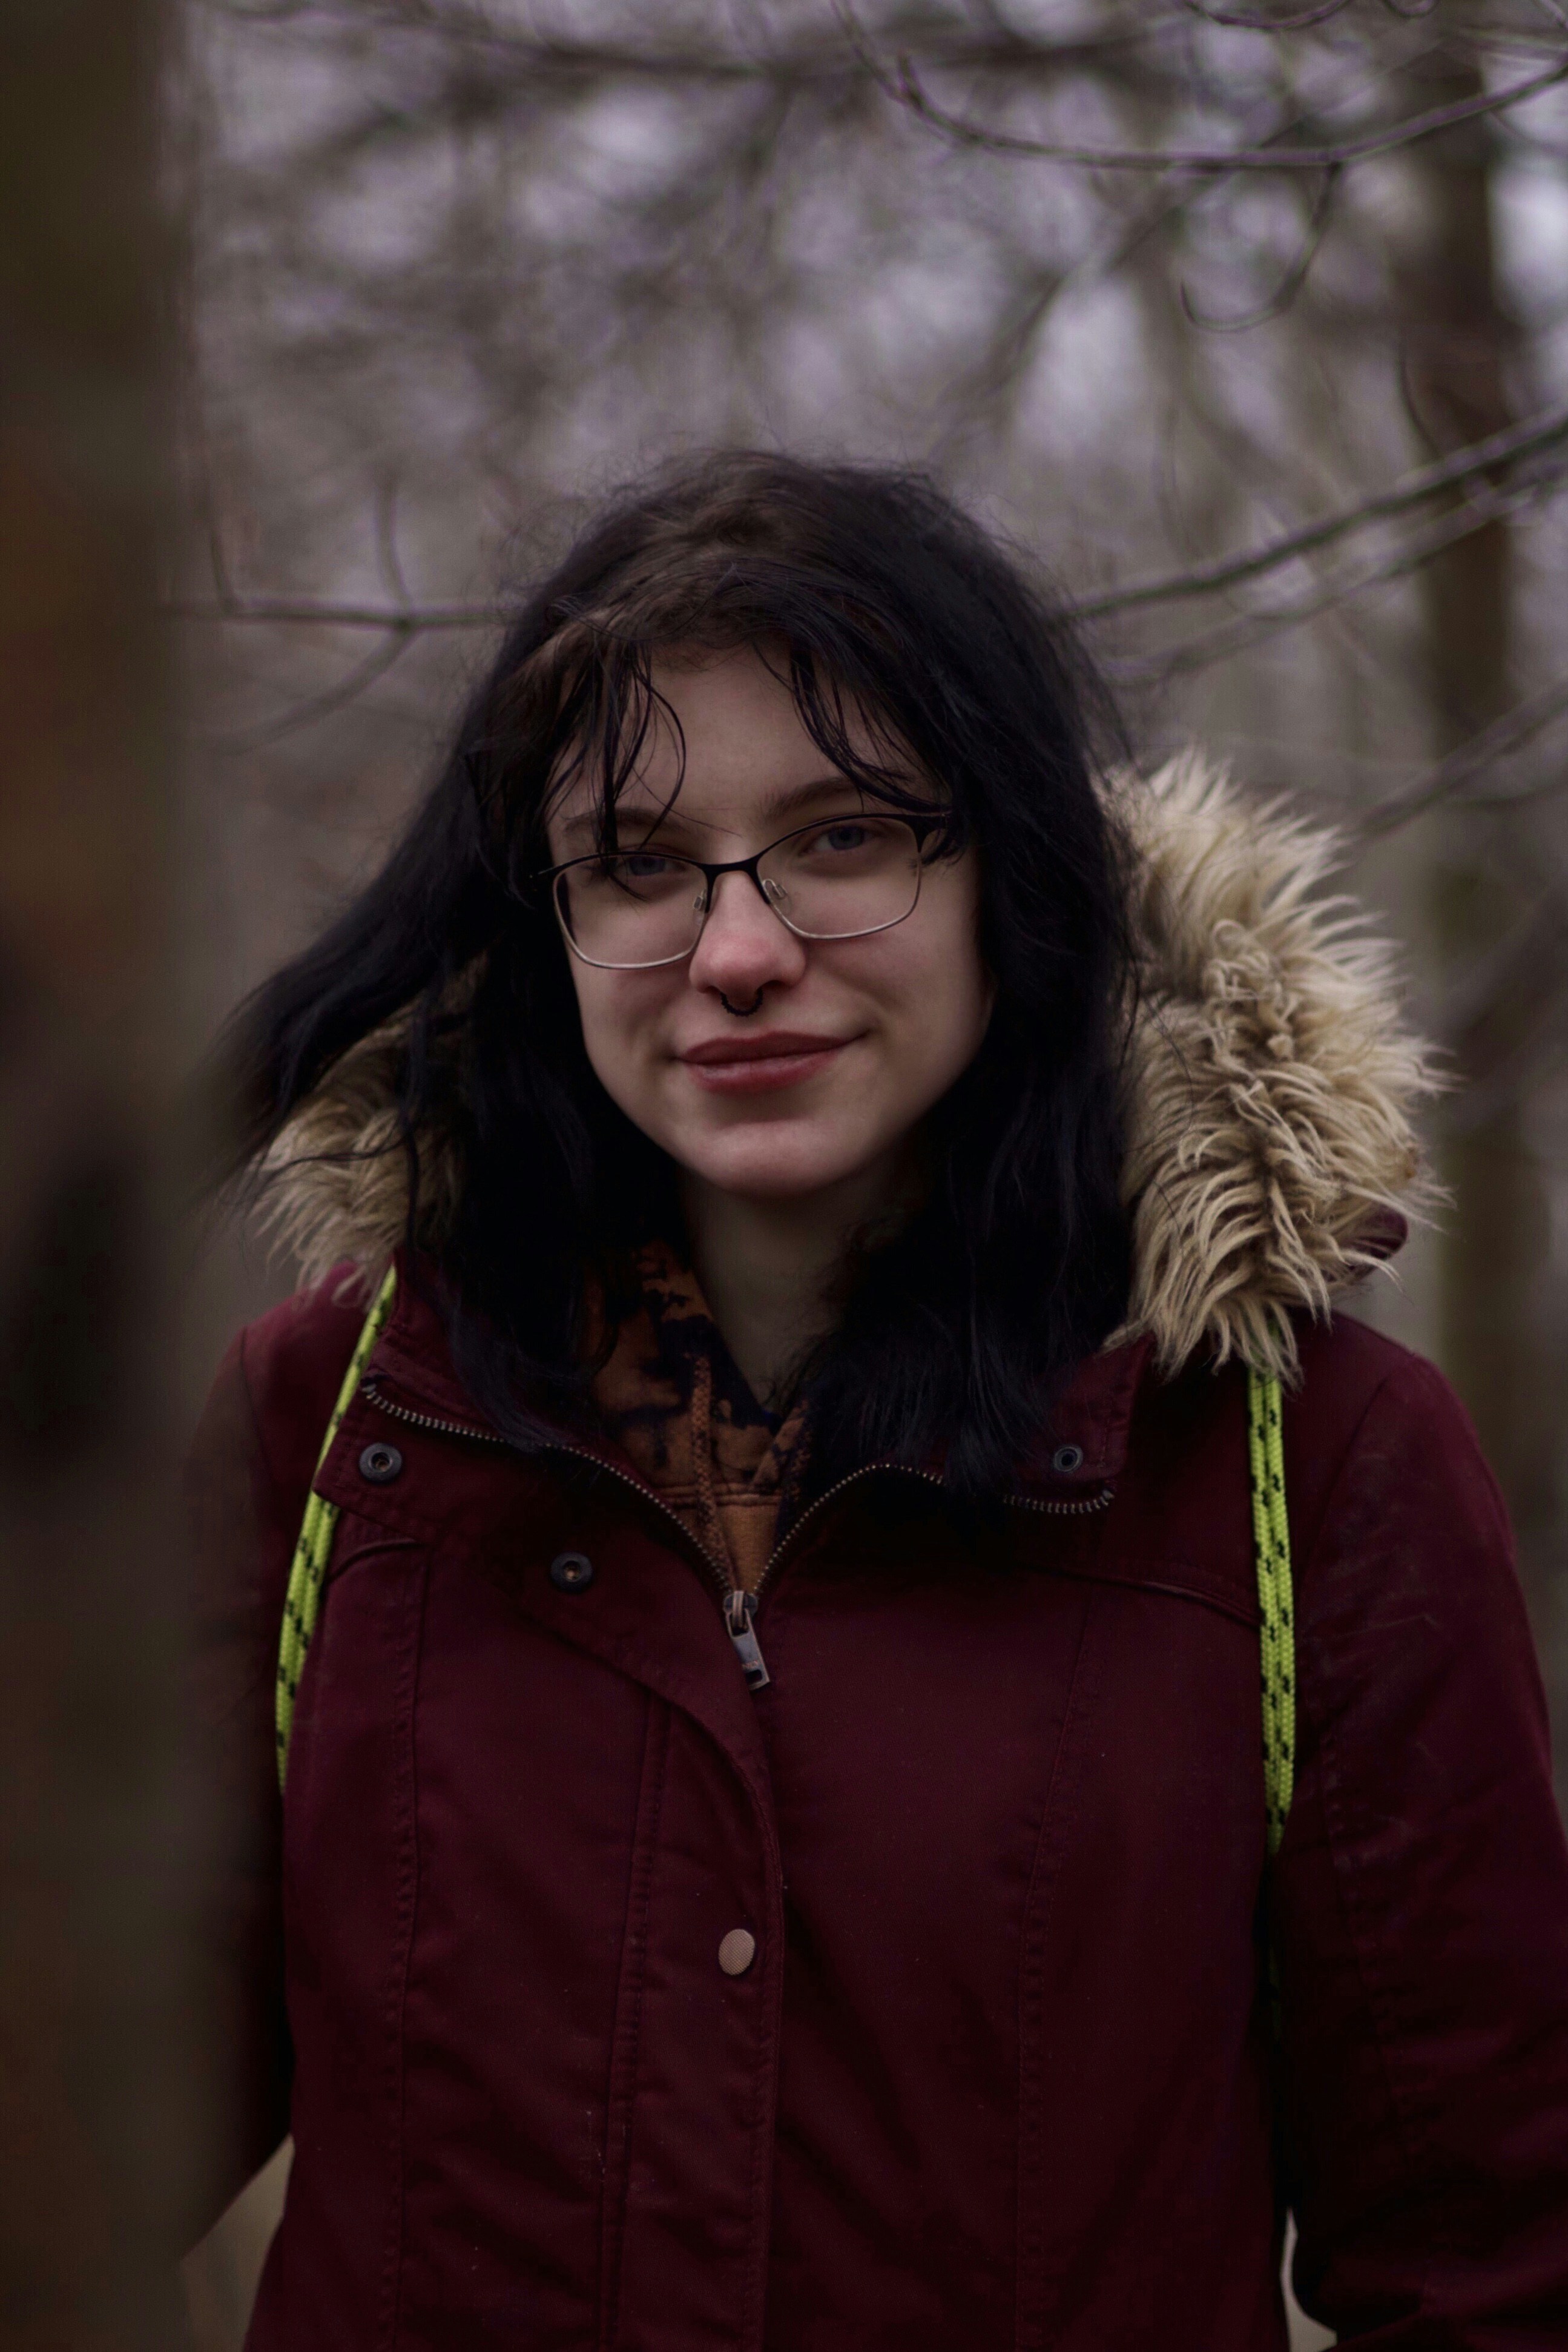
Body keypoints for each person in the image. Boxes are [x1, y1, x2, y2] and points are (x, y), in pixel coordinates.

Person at [188, 453, 1568, 2348]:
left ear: (1012, 864)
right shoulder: (334, 1427)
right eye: (641, 864)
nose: (739, 954)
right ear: (543, 918)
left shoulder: (1304, 1458)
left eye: (846, 836)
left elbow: (1488, 2258)